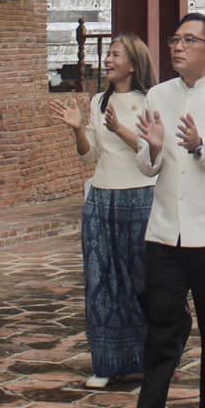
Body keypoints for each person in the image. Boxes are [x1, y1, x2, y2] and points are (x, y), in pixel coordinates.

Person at [129, 14, 205, 408]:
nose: (177, 47)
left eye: (190, 40)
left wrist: (201, 147)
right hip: (165, 232)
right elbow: (147, 165)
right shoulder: (157, 94)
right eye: (175, 39)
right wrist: (153, 148)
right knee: (160, 330)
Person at [47, 34, 156, 388]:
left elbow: (152, 152)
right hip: (101, 197)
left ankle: (147, 359)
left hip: (140, 196)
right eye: (108, 54)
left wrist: (119, 128)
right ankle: (107, 363)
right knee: (101, 281)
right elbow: (89, 155)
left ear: (133, 64)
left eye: (115, 55)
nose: (108, 60)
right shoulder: (98, 100)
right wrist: (79, 129)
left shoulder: (149, 101)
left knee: (140, 281)